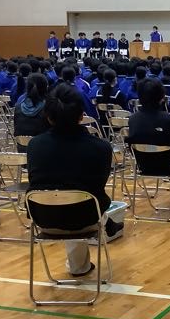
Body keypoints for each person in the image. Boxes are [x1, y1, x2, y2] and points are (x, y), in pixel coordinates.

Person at [26, 83, 120, 277]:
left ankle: (79, 266)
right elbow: (98, 186)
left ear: (48, 117)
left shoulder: (34, 145)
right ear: (81, 116)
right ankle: (105, 226)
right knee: (82, 199)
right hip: (86, 217)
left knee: (68, 195)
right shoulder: (100, 148)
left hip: (43, 217)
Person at [14, 73, 50, 146]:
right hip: (43, 148)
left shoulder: (18, 106)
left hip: (21, 148)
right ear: (46, 87)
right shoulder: (49, 107)